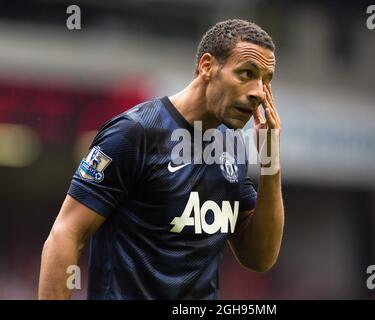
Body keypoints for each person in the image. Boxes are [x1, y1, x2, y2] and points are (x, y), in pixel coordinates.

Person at [38, 19, 284, 300]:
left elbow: (259, 257)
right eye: (246, 73)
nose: (257, 92)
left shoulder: (233, 145)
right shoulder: (134, 134)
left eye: (266, 80)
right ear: (207, 67)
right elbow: (66, 234)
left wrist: (270, 163)